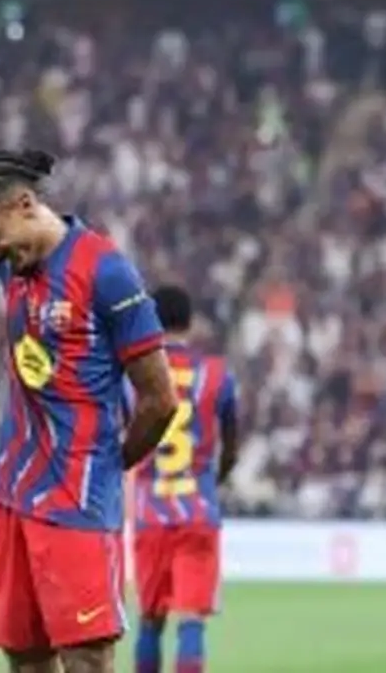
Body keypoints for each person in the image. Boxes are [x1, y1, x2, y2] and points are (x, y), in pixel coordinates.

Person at [0, 0, 179, 672]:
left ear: (25, 206)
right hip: (12, 498)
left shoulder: (106, 271)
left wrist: (107, 463)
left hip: (78, 501)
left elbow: (160, 400)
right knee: (23, 660)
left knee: (85, 661)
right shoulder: (9, 259)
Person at [130, 285, 239, 673]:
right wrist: (216, 478)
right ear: (190, 324)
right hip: (197, 511)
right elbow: (232, 446)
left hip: (150, 514)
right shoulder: (216, 374)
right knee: (191, 620)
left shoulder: (134, 376)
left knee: (150, 620)